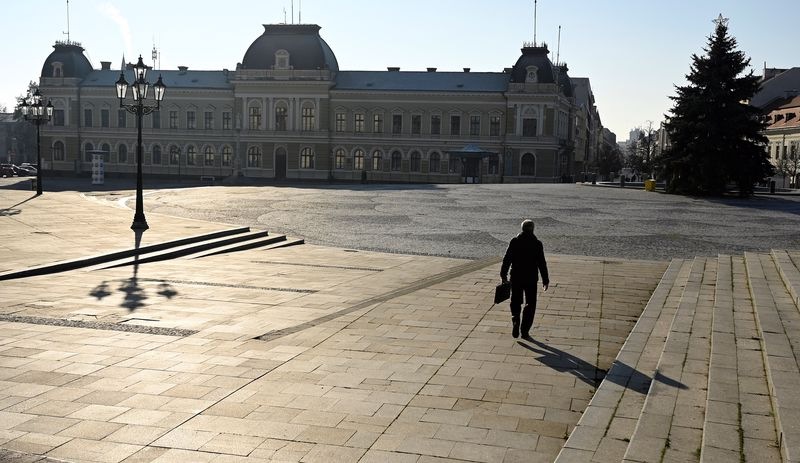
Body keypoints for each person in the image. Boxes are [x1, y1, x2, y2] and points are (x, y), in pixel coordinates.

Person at [500, 219, 549, 339]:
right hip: (531, 278)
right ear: (533, 229)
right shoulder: (537, 243)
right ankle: (525, 330)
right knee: (530, 303)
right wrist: (545, 279)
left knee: (515, 300)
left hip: (516, 276)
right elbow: (542, 263)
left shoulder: (515, 241)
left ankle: (515, 319)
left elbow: (507, 259)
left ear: (522, 229)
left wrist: (503, 274)